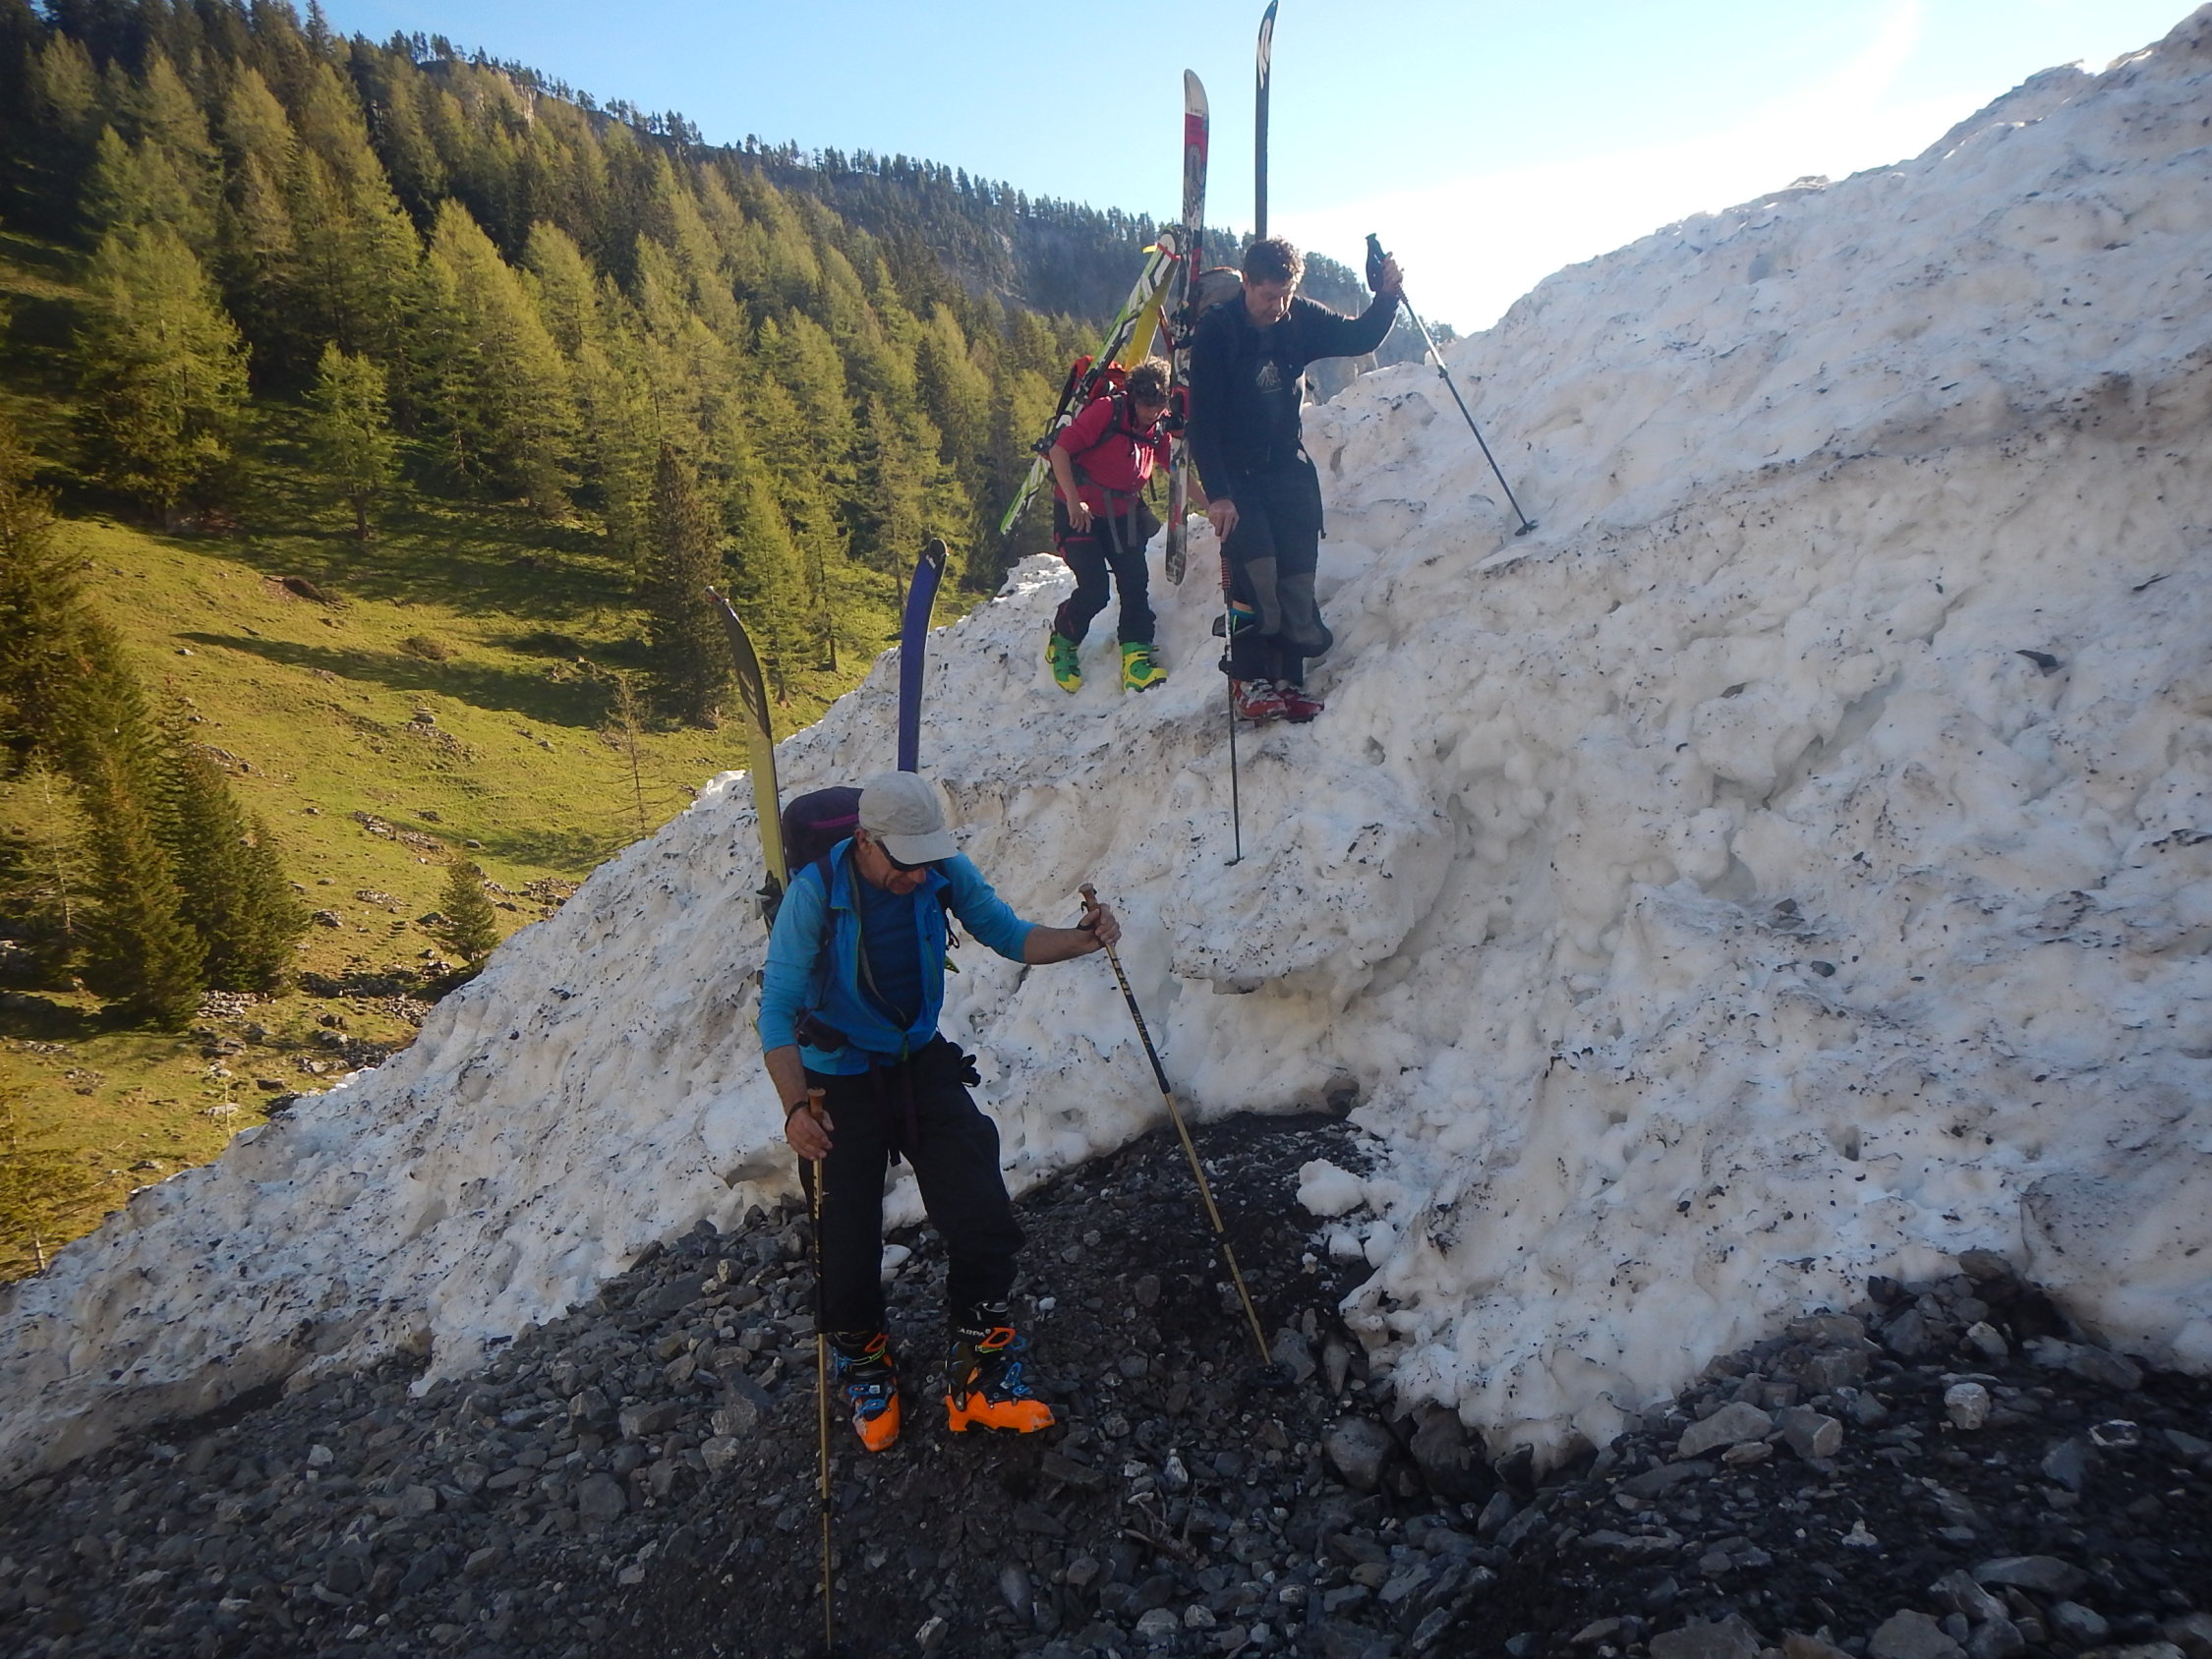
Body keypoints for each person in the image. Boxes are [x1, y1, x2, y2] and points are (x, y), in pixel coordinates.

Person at [757, 771, 1121, 1451]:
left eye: (928, 861)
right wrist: (794, 1108)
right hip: (835, 1078)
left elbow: (1008, 934)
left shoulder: (941, 869)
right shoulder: (815, 894)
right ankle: (864, 1361)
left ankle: (979, 1371)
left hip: (917, 1059)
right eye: (906, 863)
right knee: (844, 1235)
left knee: (980, 1208)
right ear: (864, 841)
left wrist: (1082, 940)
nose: (919, 877)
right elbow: (776, 1008)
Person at [1188, 236, 1403, 722]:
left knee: (1296, 573)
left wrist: (1387, 296)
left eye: (1285, 295)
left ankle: (1288, 678)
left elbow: (1359, 338)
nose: (1277, 306)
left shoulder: (1298, 318)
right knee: (1256, 571)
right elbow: (1203, 422)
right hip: (1238, 474)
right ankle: (1249, 679)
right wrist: (1218, 495)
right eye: (1268, 296)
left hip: (1287, 467)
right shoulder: (1219, 331)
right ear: (1246, 283)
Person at [1043, 357, 1175, 695]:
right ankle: (1063, 642)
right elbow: (1059, 451)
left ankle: (1136, 659)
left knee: (1135, 583)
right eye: (1146, 405)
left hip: (1122, 514)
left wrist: (1215, 504)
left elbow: (1176, 468)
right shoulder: (1107, 410)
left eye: (1158, 406)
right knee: (1094, 589)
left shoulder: (1159, 425)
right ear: (1133, 396)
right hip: (1080, 513)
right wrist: (1074, 501)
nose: (1151, 413)